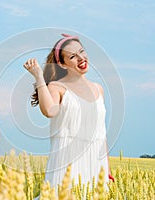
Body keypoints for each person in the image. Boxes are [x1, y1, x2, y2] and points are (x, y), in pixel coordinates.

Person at [23, 34, 113, 194]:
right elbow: (50, 111)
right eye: (72, 56)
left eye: (82, 51)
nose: (81, 58)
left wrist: (107, 169)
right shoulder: (58, 87)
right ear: (62, 64)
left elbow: (101, 133)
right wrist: (38, 76)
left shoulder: (98, 89)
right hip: (68, 161)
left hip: (96, 163)